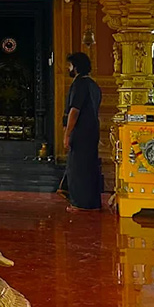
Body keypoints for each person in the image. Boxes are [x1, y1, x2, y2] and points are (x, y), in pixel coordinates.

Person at [62, 52, 102, 212]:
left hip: (80, 131)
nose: (68, 68)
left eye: (70, 65)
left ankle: (79, 203)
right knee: (90, 166)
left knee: (78, 168)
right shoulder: (93, 85)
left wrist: (67, 134)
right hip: (92, 131)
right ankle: (93, 203)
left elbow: (75, 110)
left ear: (76, 66)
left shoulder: (79, 84)